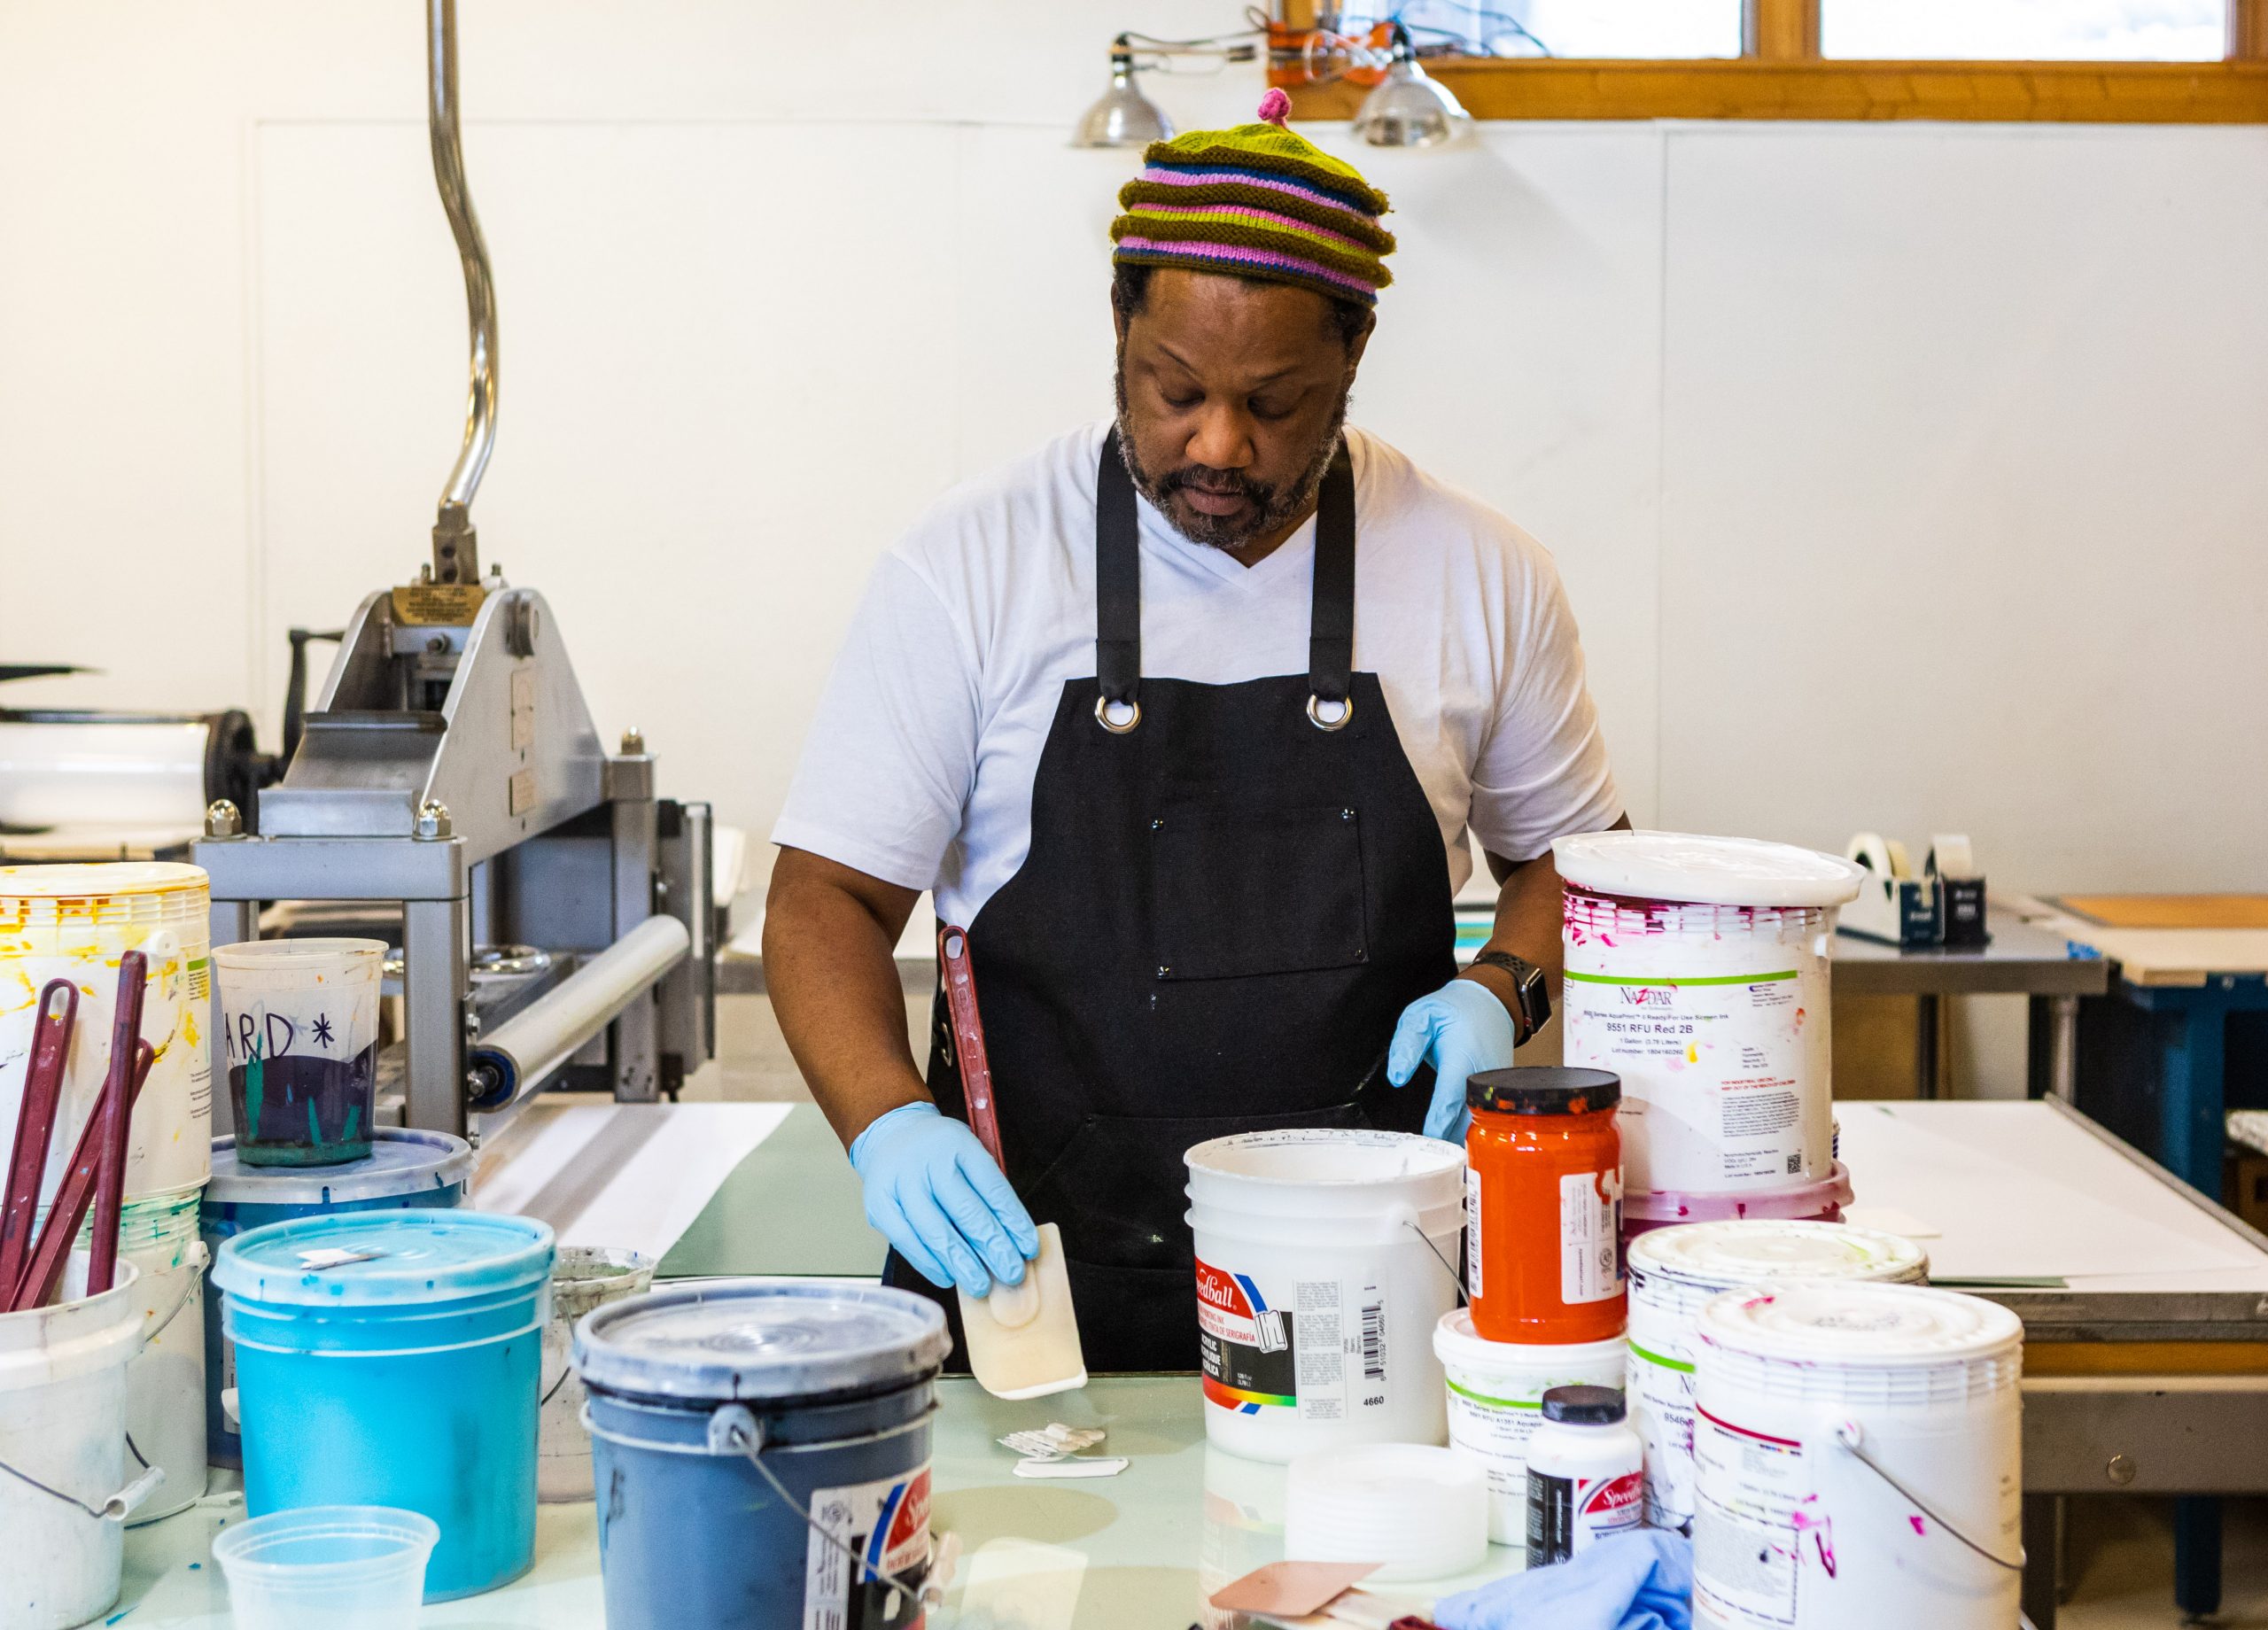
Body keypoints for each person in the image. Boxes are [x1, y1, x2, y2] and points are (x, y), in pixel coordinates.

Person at [765, 89, 1625, 1370]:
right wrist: (885, 1120)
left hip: (1376, 1313)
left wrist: (1503, 986)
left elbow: (1585, 867)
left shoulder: (1478, 574)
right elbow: (822, 898)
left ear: (1356, 354)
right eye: (1173, 391)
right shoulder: (974, 567)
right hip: (1035, 1307)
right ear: (1118, 328)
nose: (1217, 444)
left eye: (1275, 404)